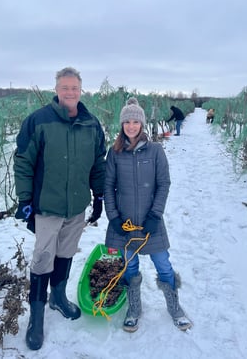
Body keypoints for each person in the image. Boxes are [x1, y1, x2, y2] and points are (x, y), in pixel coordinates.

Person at [14, 67, 106, 350]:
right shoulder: (38, 121)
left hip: (77, 207)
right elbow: (23, 162)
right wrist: (25, 200)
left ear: (81, 90)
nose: (70, 92)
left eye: (74, 88)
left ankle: (58, 298)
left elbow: (98, 162)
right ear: (56, 89)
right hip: (48, 206)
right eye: (65, 87)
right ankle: (37, 317)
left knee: (66, 253)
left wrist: (99, 195)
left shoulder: (91, 124)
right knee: (43, 257)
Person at [104, 97, 192, 332]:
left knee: (163, 264)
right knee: (129, 267)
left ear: (142, 125)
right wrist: (113, 217)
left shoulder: (155, 151)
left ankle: (175, 307)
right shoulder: (114, 153)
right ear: (121, 125)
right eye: (127, 122)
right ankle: (134, 308)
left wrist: (155, 214)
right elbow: (108, 186)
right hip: (126, 224)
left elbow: (164, 184)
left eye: (135, 121)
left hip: (150, 221)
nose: (131, 126)